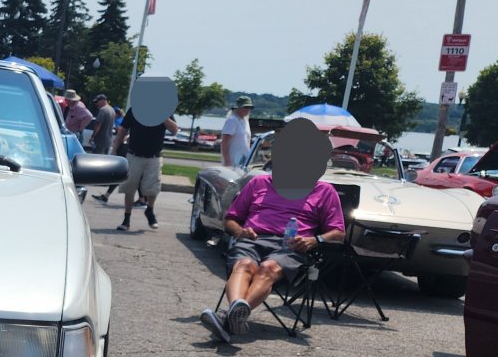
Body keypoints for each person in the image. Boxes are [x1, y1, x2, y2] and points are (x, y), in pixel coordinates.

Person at [199, 120, 348, 342]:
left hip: (291, 247)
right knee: (244, 265)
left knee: (268, 268)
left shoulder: (324, 191)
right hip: (253, 239)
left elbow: (338, 232)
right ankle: (236, 316)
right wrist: (241, 232)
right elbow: (230, 220)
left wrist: (314, 240)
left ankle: (230, 317)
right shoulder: (258, 183)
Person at [113, 104, 177, 230]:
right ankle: (126, 219)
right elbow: (123, 130)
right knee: (129, 187)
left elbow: (174, 130)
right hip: (134, 154)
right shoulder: (135, 109)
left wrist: (163, 116)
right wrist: (115, 149)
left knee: (153, 187)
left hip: (154, 156)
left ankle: (150, 210)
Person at [221, 96, 254, 168]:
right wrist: (227, 160)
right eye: (245, 107)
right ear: (238, 107)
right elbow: (224, 142)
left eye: (249, 108)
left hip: (244, 162)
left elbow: (247, 142)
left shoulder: (246, 121)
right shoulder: (232, 120)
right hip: (232, 162)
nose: (248, 110)